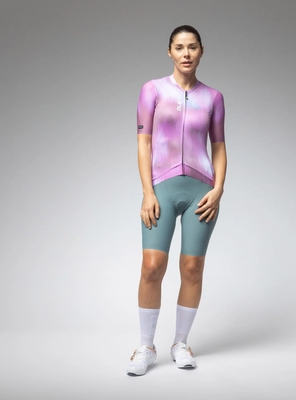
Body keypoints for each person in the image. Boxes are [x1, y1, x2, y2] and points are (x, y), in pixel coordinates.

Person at [126, 25, 227, 376]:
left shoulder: (213, 97)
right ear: (169, 51)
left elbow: (219, 147)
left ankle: (181, 343)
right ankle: (146, 346)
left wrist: (219, 189)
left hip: (202, 191)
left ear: (201, 51)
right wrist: (147, 192)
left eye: (192, 47)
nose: (186, 53)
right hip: (161, 189)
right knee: (152, 266)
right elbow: (143, 143)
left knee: (192, 268)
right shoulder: (152, 90)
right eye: (180, 47)